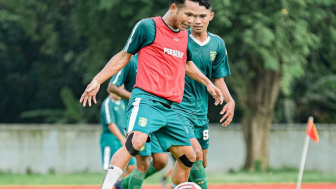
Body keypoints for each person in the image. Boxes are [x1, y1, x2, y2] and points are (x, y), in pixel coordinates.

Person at [79, 0, 224, 188]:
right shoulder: (148, 27)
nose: (192, 21)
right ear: (173, 8)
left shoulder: (183, 37)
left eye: (196, 16)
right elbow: (124, 55)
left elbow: (186, 64)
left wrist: (208, 84)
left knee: (189, 157)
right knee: (136, 141)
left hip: (171, 109)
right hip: (147, 100)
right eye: (188, 15)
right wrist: (97, 80)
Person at [171, 0, 235, 188]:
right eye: (193, 16)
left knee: (201, 162)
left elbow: (218, 79)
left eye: (202, 16)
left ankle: (181, 185)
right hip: (178, 110)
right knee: (195, 154)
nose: (197, 21)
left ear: (211, 17)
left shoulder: (217, 44)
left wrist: (230, 100)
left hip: (201, 114)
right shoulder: (179, 39)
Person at [108, 54, 169, 189]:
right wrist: (136, 97)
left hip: (156, 118)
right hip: (138, 119)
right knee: (143, 163)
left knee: (161, 161)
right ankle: (116, 184)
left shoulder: (159, 59)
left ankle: (122, 184)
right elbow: (112, 87)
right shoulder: (130, 60)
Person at [99, 91, 136, 178]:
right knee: (111, 169)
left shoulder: (122, 103)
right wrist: (121, 138)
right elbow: (110, 123)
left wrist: (128, 137)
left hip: (122, 139)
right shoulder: (108, 103)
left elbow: (122, 124)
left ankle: (118, 185)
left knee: (131, 166)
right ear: (109, 89)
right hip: (110, 139)